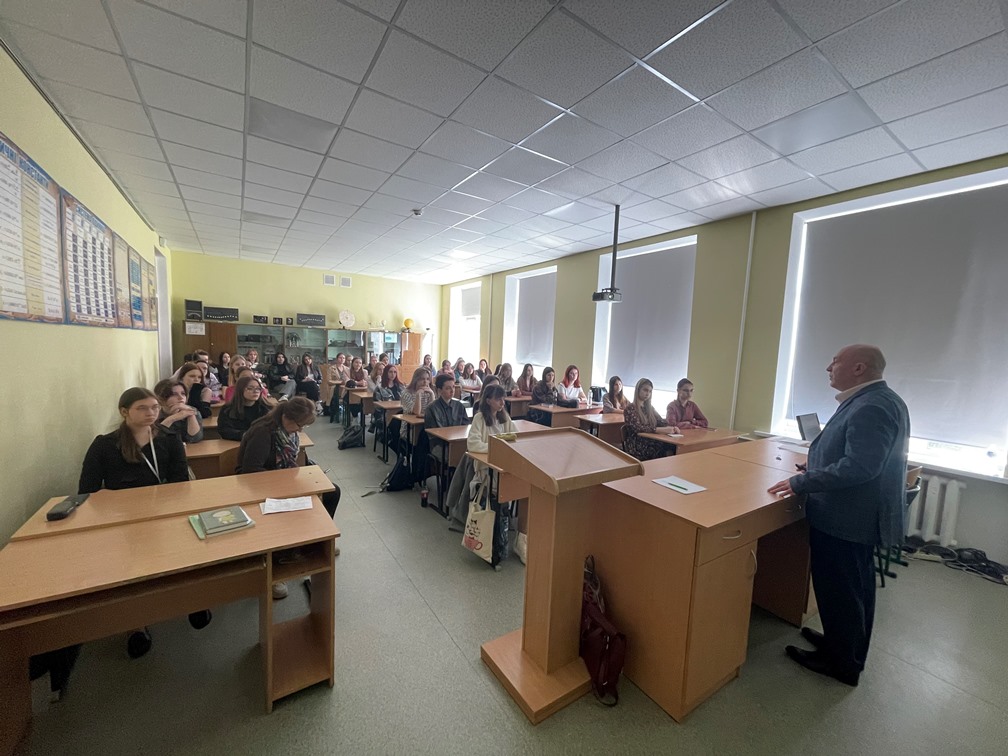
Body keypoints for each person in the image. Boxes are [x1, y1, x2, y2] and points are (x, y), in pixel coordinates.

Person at [768, 345, 909, 687]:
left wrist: (803, 481)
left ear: (859, 368)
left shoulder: (872, 405)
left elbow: (860, 467)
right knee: (850, 589)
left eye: (835, 361)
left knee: (843, 590)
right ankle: (842, 644)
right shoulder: (875, 399)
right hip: (852, 516)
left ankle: (842, 663)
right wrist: (817, 463)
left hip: (848, 519)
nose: (828, 367)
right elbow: (855, 453)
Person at [79, 388, 208, 657]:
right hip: (124, 521)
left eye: (155, 408)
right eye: (142, 408)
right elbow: (87, 492)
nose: (151, 413)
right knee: (132, 570)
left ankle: (192, 600)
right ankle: (136, 625)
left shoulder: (169, 438)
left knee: (183, 554)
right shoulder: (104, 445)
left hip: (164, 513)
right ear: (124, 411)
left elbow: (180, 482)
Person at [237, 397, 342, 598]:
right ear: (286, 417)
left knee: (332, 492)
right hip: (257, 486)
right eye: (299, 425)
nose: (300, 430)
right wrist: (285, 482)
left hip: (282, 479)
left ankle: (316, 542)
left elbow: (291, 461)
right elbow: (250, 471)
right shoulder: (263, 432)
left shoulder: (287, 431)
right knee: (287, 508)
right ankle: (277, 563)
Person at [623, 378, 679, 461]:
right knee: (662, 447)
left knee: (673, 446)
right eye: (645, 390)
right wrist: (658, 430)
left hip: (650, 439)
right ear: (638, 390)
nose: (647, 394)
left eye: (650, 391)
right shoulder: (630, 408)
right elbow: (637, 428)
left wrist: (672, 428)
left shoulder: (649, 408)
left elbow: (660, 421)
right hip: (637, 443)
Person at [424, 373, 469, 455]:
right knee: (455, 455)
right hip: (440, 445)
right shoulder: (431, 409)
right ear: (439, 390)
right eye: (448, 388)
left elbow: (465, 427)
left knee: (469, 454)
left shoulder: (459, 406)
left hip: (458, 442)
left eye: (453, 387)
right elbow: (432, 435)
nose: (452, 391)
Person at [218, 375, 273, 440]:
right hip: (235, 442)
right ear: (240, 389)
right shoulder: (227, 409)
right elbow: (224, 430)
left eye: (258, 388)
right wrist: (245, 435)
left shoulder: (266, 408)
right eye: (250, 388)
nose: (255, 391)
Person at [153, 378, 203, 443]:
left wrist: (191, 415)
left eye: (183, 393)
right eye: (174, 394)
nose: (181, 397)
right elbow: (155, 441)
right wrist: (172, 418)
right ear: (161, 398)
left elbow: (195, 439)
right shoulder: (154, 414)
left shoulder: (192, 411)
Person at [400, 367, 436, 444]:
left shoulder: (429, 393)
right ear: (416, 379)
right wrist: (418, 395)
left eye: (427, 379)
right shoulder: (406, 393)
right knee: (425, 439)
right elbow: (416, 412)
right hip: (410, 428)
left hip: (426, 426)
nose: (425, 382)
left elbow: (433, 412)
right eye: (422, 379)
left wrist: (432, 395)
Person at [372, 363, 404, 430]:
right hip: (385, 415)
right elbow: (377, 407)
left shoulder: (400, 386)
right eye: (390, 372)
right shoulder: (379, 388)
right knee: (396, 423)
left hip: (400, 412)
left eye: (395, 372)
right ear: (386, 373)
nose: (393, 374)